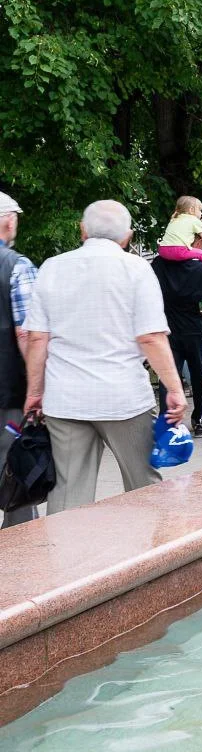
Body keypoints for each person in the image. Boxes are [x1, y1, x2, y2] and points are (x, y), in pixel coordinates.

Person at [23, 201, 186, 512]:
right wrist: (174, 389)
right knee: (143, 485)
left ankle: (66, 544)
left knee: (69, 492)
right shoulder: (137, 269)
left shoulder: (52, 267)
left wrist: (34, 391)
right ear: (127, 236)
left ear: (82, 230)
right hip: (124, 397)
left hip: (65, 397)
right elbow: (151, 337)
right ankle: (152, 541)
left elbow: (37, 337)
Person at [152, 242, 202, 438]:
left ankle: (168, 423)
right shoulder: (199, 267)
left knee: (167, 375)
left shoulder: (158, 264)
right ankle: (201, 422)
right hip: (194, 327)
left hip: (168, 328)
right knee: (200, 374)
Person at [0, 192, 40, 528]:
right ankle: (21, 541)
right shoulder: (17, 266)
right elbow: (28, 333)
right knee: (15, 464)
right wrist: (38, 387)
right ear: (8, 221)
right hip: (9, 392)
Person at [156, 195, 202, 268]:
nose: (201, 213)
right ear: (191, 210)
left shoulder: (174, 219)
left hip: (162, 250)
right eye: (200, 210)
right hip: (178, 251)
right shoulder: (194, 220)